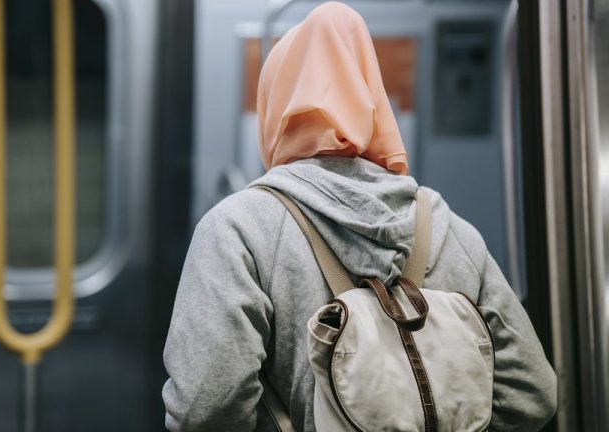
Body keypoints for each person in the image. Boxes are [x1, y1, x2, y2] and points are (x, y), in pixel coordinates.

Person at [162, 2, 557, 431]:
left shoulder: (238, 228)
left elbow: (205, 408)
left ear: (274, 109)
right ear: (371, 97)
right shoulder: (447, 226)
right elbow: (532, 396)